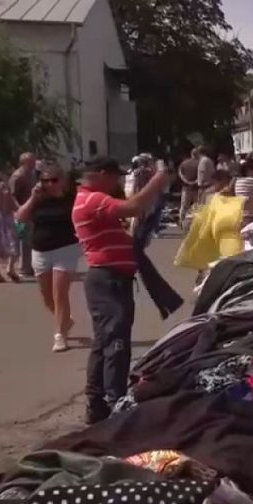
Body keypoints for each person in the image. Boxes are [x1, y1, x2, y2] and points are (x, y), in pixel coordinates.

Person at [73, 156, 169, 424]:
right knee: (114, 343)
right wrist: (157, 179)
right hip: (108, 280)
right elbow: (133, 207)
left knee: (105, 342)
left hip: (111, 279)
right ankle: (114, 401)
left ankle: (98, 402)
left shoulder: (89, 198)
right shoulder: (92, 199)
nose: (117, 182)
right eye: (115, 177)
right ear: (102, 174)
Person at [15, 163, 80, 352]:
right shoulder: (38, 199)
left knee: (60, 294)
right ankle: (66, 320)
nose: (49, 184)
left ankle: (60, 335)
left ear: (63, 181)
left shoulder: (71, 198)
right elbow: (21, 217)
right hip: (41, 250)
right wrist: (33, 198)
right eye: (45, 180)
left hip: (66, 248)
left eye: (54, 180)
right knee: (47, 297)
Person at [8, 152, 37, 276]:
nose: (34, 163)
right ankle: (23, 268)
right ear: (24, 162)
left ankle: (28, 265)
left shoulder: (30, 174)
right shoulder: (18, 176)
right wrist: (19, 209)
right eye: (31, 161)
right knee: (23, 239)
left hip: (30, 210)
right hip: (21, 212)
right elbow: (12, 195)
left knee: (29, 239)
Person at [178, 149, 200, 224]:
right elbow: (201, 175)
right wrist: (195, 181)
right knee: (197, 205)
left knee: (184, 205)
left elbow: (180, 172)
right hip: (196, 188)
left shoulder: (184, 163)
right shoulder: (199, 163)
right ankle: (196, 222)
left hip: (186, 187)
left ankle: (181, 220)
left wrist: (185, 180)